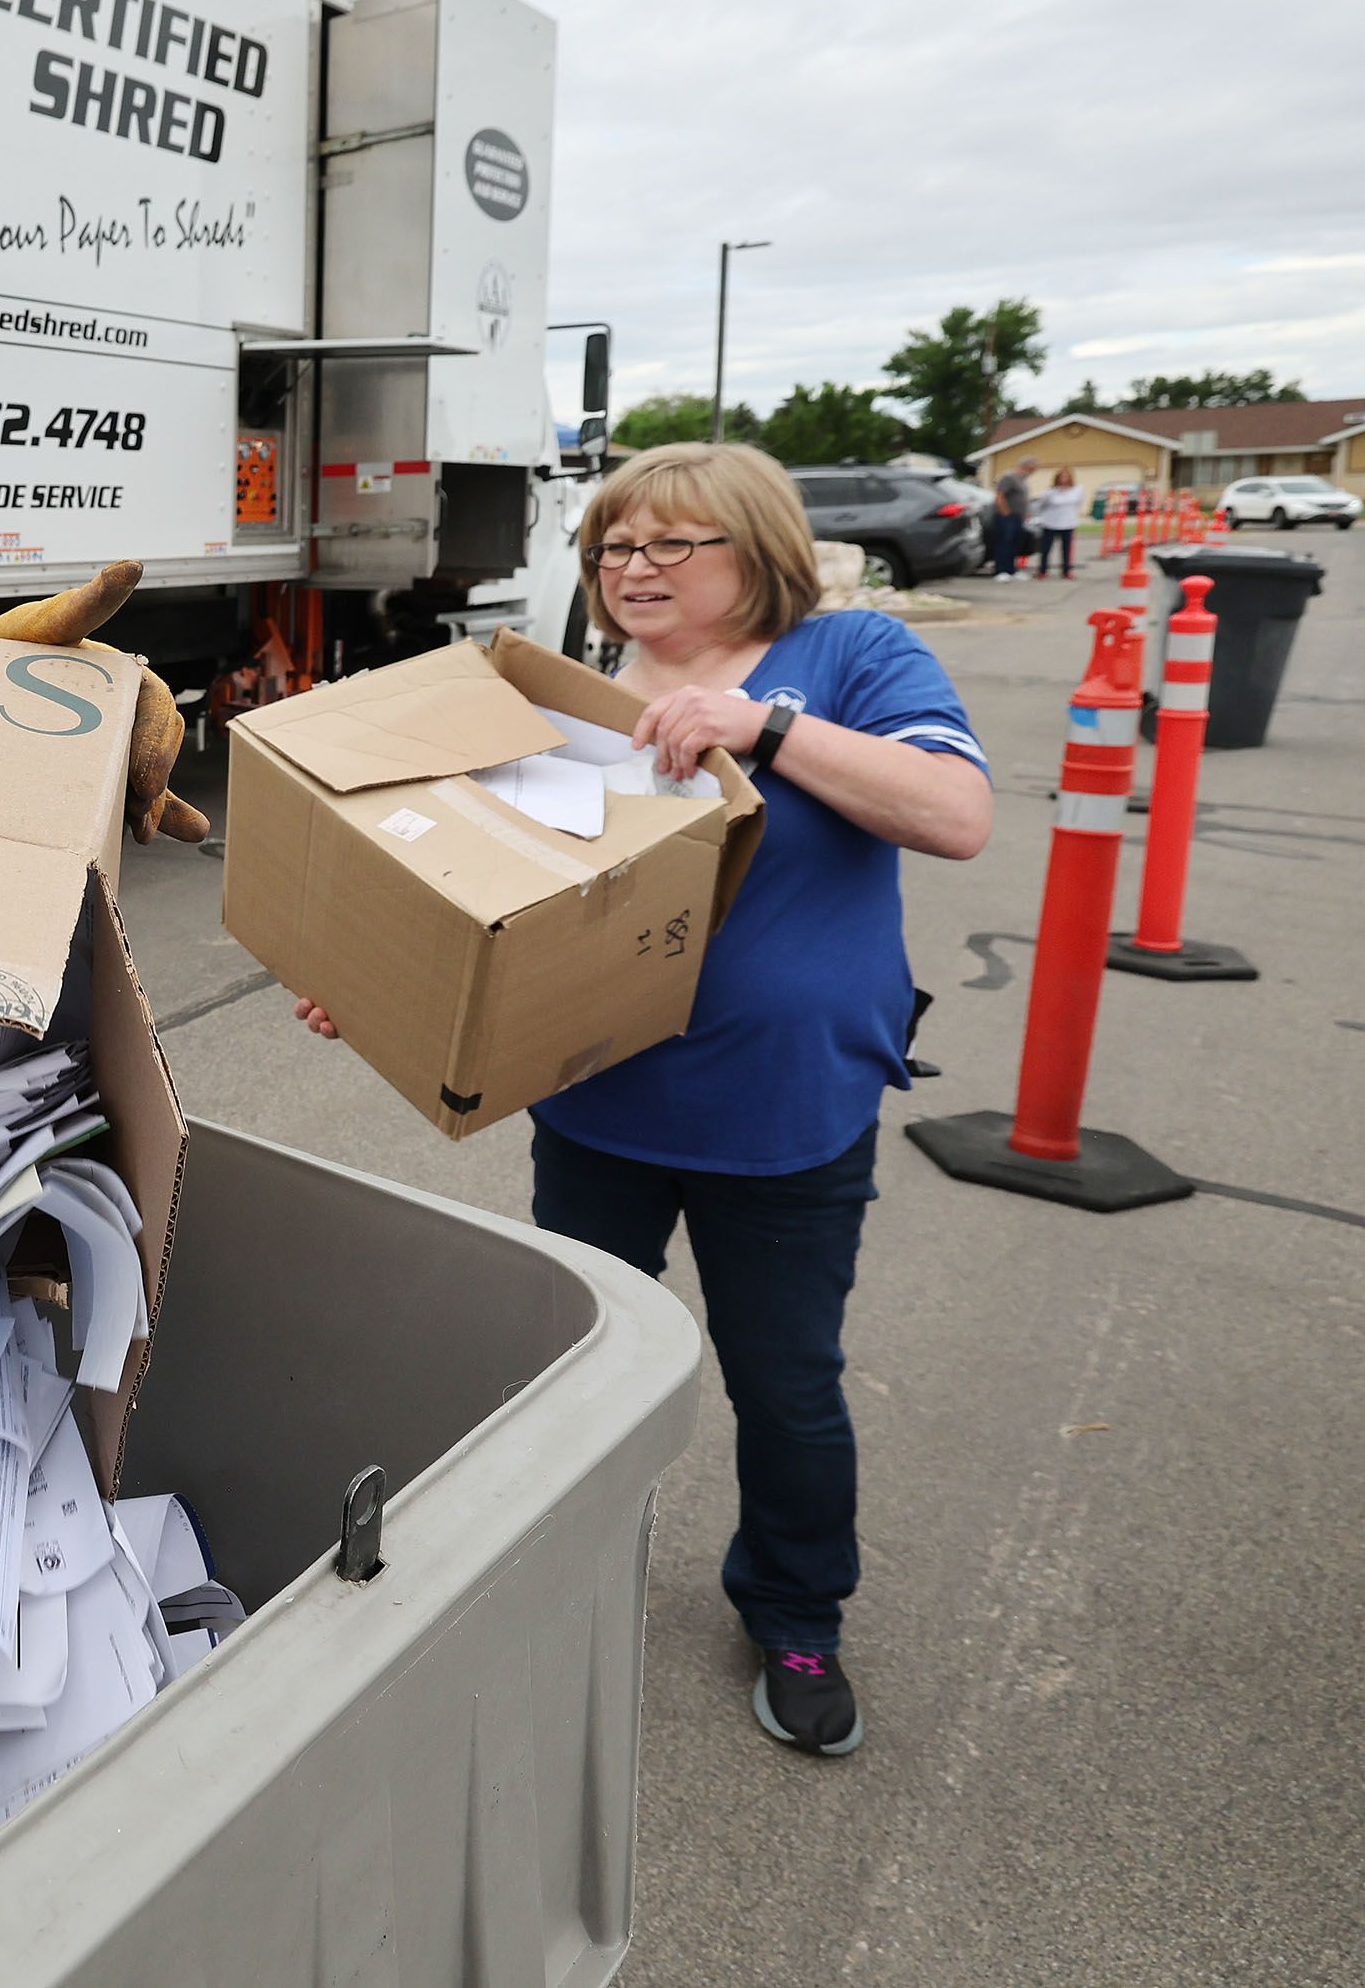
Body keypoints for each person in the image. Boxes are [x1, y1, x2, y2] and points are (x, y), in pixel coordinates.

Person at [290, 443, 992, 1759]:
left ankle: (793, 1610)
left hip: (786, 1114)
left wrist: (763, 726)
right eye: (616, 543)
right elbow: (481, 897)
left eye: (673, 543)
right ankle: (567, 1573)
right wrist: (372, 977)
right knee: (575, 1369)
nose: (633, 566)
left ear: (757, 548)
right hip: (601, 1107)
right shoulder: (569, 695)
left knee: (786, 1382)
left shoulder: (845, 656)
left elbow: (956, 813)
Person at [989, 455, 1035, 580]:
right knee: (1004, 543)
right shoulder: (1008, 477)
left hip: (1018, 517)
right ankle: (1001, 570)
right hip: (1006, 517)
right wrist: (1006, 512)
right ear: (1024, 466)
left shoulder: (1022, 480)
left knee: (1015, 544)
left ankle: (1011, 570)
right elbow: (1000, 496)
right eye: (1030, 469)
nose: (1031, 472)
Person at [1031, 466, 1083, 577]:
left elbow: (1077, 504)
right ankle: (1043, 570)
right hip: (1051, 523)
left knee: (1066, 549)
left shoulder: (1076, 491)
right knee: (1046, 549)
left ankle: (1066, 571)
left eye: (1066, 477)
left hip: (1068, 523)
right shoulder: (1050, 492)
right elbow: (1042, 505)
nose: (1063, 479)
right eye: (1061, 477)